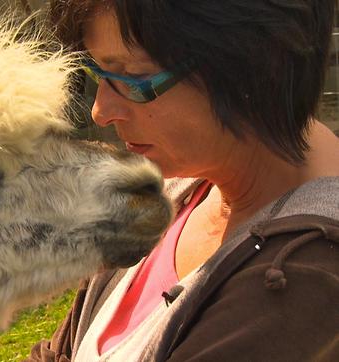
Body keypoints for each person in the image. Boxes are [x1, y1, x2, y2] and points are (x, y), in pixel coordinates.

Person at [27, 1, 339, 361]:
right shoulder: (184, 181)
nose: (101, 111)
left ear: (255, 64)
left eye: (136, 76)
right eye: (99, 71)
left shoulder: (300, 279)